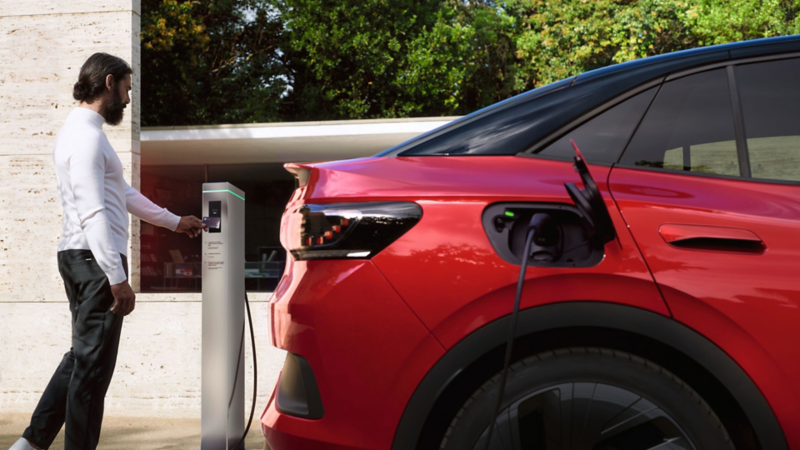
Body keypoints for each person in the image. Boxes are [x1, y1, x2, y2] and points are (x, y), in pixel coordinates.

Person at [9, 53, 207, 450]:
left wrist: (173, 221)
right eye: (128, 89)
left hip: (81, 257)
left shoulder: (88, 134)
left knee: (81, 359)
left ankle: (30, 444)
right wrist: (117, 278)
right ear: (109, 82)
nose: (129, 99)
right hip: (94, 260)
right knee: (92, 372)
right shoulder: (84, 137)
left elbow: (122, 193)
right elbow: (93, 210)